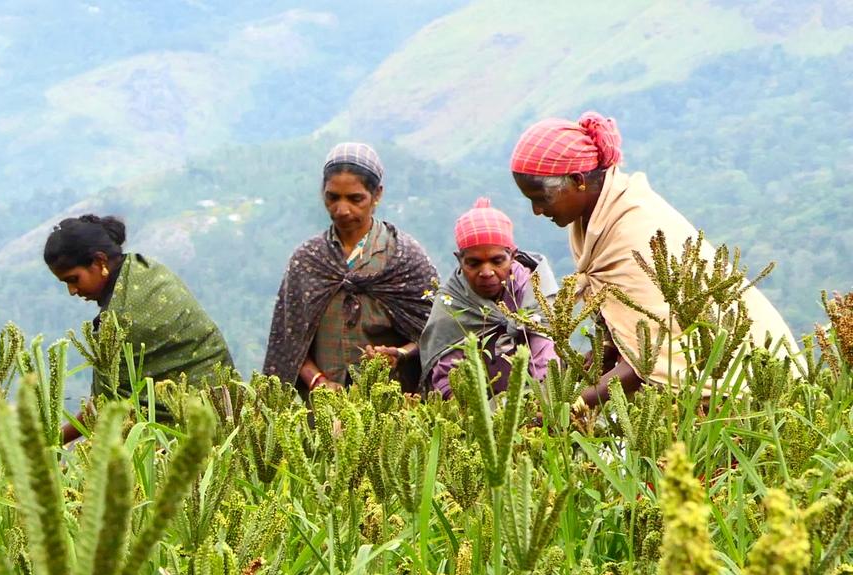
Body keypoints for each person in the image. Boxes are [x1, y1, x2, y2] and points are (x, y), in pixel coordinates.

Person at [510, 112, 796, 410]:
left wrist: (566, 409)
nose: (537, 211)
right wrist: (557, 388)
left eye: (541, 198)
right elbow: (620, 340)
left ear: (578, 180)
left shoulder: (633, 234)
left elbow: (645, 361)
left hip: (747, 386)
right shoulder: (595, 225)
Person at [263, 142, 437, 395]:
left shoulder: (403, 257)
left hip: (391, 405)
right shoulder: (309, 260)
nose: (342, 210)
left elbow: (435, 331)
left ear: (377, 194)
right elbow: (289, 341)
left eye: (356, 199)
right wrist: (318, 381)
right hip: (323, 407)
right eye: (333, 197)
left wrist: (399, 353)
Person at [43, 214, 233, 442]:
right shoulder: (144, 268)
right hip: (230, 410)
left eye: (74, 279)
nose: (72, 291)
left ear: (99, 261)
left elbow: (106, 407)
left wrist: (52, 441)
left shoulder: (121, 320)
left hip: (191, 435)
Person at [419, 197, 559, 397]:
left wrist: (536, 409)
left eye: (497, 261)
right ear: (459, 260)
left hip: (535, 405)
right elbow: (448, 377)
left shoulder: (534, 291)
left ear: (513, 255)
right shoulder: (451, 302)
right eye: (474, 263)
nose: (486, 272)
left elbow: (545, 361)